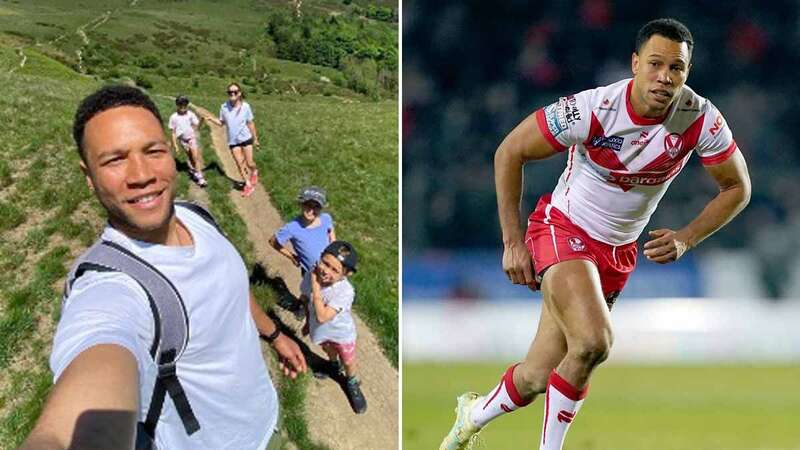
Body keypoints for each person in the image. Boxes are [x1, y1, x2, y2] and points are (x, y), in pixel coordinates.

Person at [440, 18, 751, 450]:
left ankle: (470, 416)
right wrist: (512, 243)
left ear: (688, 72)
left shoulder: (697, 118)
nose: (665, 77)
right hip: (563, 228)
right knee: (593, 341)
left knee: (536, 376)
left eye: (676, 68)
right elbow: (510, 151)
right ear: (635, 63)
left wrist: (687, 237)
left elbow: (737, 188)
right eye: (655, 64)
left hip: (616, 252)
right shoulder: (593, 109)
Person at [19, 85, 306, 450]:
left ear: (171, 154)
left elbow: (230, 288)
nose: (141, 174)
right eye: (114, 159)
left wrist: (275, 335)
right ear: (88, 176)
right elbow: (92, 379)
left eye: (152, 151)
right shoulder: (110, 287)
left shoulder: (195, 214)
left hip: (262, 418)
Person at [300, 240, 366, 414]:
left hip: (341, 334)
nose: (325, 271)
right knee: (328, 349)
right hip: (321, 331)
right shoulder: (311, 274)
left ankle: (352, 382)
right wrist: (308, 322)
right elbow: (306, 301)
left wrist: (315, 288)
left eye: (334, 270)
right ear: (320, 257)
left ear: (346, 274)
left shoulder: (345, 292)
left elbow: (322, 316)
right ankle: (333, 366)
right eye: (325, 263)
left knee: (348, 360)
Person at [269, 186, 336, 276]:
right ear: (301, 204)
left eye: (316, 207)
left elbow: (332, 236)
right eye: (308, 205)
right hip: (311, 274)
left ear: (321, 208)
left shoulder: (326, 218)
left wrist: (335, 253)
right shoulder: (292, 228)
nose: (311, 210)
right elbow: (273, 241)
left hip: (331, 268)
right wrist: (292, 257)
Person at [208, 83, 260, 197]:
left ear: (239, 93)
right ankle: (248, 185)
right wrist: (211, 119)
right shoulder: (224, 107)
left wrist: (255, 139)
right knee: (239, 164)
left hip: (246, 138)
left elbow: (250, 123)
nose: (232, 94)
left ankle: (254, 171)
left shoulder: (246, 106)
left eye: (235, 92)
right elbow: (221, 123)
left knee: (249, 162)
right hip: (233, 141)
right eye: (230, 92)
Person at [168, 95, 207, 187]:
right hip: (183, 140)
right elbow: (173, 132)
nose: (183, 107)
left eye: (184, 105)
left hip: (191, 138)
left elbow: (197, 127)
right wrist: (175, 145)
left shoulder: (190, 114)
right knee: (190, 157)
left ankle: (200, 178)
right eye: (180, 104)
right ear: (177, 105)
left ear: (187, 105)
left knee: (194, 156)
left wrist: (202, 120)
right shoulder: (174, 117)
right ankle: (194, 170)